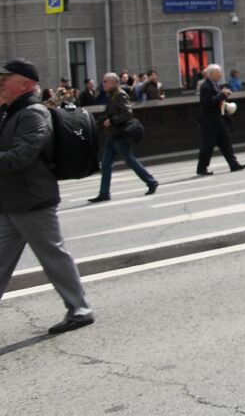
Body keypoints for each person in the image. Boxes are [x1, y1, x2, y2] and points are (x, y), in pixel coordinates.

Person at [0, 58, 95, 335]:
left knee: (53, 255)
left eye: (7, 78)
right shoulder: (10, 111)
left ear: (26, 84)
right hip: (11, 200)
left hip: (32, 200)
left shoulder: (33, 113)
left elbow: (22, 155)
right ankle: (79, 307)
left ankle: (80, 309)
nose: (1, 82)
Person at [88, 72, 159, 201]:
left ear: (114, 83)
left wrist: (112, 120)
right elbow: (109, 113)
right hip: (112, 134)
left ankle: (151, 181)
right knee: (106, 164)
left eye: (105, 81)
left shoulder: (120, 94)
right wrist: (98, 121)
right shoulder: (112, 95)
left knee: (129, 160)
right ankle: (104, 193)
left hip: (119, 134)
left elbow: (128, 113)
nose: (103, 83)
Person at [195, 64, 245, 176]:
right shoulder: (206, 86)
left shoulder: (215, 84)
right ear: (212, 74)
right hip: (210, 122)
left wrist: (223, 95)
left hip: (218, 120)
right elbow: (208, 103)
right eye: (218, 72)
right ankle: (201, 168)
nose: (220, 74)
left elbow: (217, 100)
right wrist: (222, 95)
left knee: (225, 143)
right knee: (207, 146)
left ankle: (234, 164)